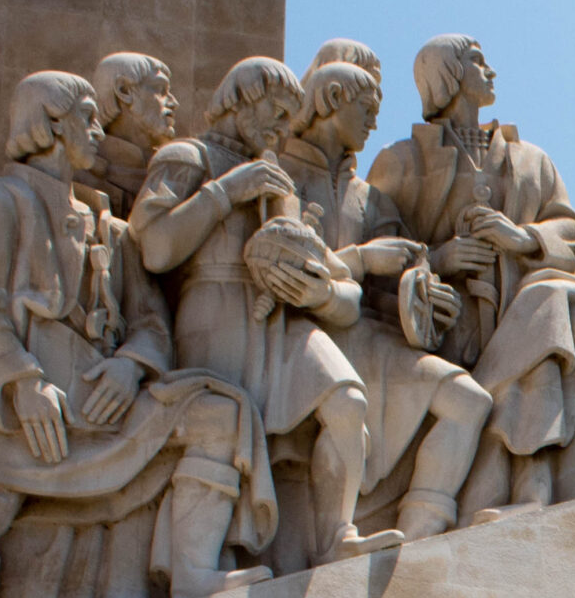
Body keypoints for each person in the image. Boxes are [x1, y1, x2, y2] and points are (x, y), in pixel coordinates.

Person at [0, 71, 272, 598]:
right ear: (51, 124)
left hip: (104, 401)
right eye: (86, 117)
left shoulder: (113, 228)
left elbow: (152, 322)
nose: (97, 130)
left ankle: (194, 575)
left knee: (221, 414)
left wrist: (132, 363)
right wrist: (20, 383)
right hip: (26, 410)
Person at [365, 34, 575, 514]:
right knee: (551, 318)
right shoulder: (401, 161)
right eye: (477, 61)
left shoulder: (530, 159)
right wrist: (440, 259)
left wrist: (522, 239)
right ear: (448, 74)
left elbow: (569, 227)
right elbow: (374, 259)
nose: (491, 70)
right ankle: (529, 491)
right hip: (456, 328)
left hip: (535, 299)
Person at [130, 55, 397, 563]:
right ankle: (201, 566)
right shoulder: (187, 156)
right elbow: (158, 248)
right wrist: (227, 191)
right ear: (244, 100)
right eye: (276, 114)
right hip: (214, 310)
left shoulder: (278, 177)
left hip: (279, 316)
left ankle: (338, 535)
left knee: (347, 401)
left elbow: (305, 256)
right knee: (229, 430)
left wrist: (317, 281)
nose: (282, 130)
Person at [277, 61, 491, 545]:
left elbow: (401, 274)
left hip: (369, 338)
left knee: (468, 401)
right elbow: (281, 267)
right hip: (301, 334)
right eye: (366, 108)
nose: (375, 120)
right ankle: (336, 536)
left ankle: (417, 540)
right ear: (331, 99)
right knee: (344, 403)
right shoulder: (279, 177)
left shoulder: (370, 199)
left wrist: (432, 292)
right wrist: (360, 259)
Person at [91, 53, 180, 217]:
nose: (174, 102)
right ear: (124, 91)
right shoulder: (77, 174)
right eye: (161, 90)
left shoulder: (176, 176)